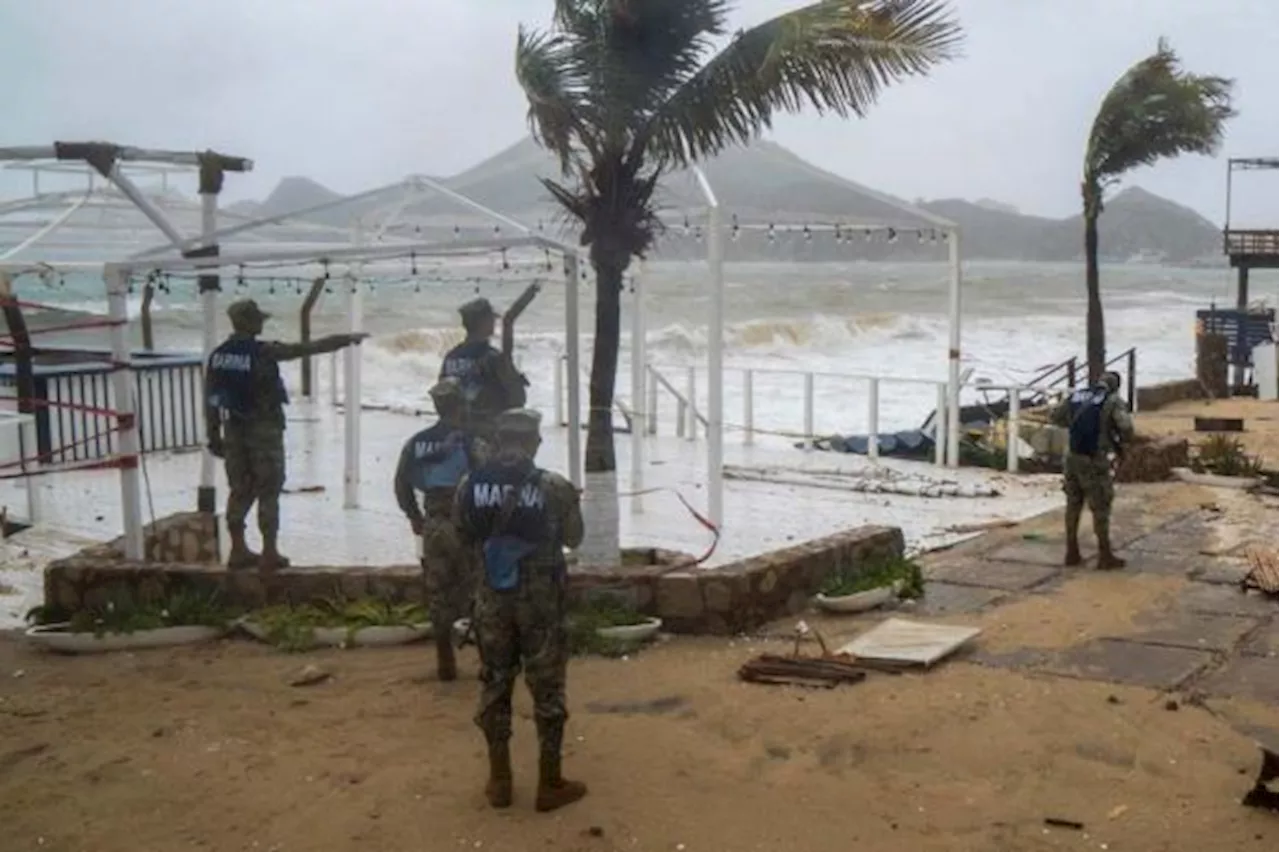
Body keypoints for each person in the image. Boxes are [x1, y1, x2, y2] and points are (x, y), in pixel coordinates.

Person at [453, 408, 586, 813]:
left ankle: (499, 780)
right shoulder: (553, 487)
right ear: (534, 443)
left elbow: (462, 535)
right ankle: (549, 783)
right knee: (547, 688)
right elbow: (575, 538)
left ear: (497, 440)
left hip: (492, 600)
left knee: (495, 682)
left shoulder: (469, 485)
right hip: (541, 604)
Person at [205, 299, 367, 571]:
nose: (261, 322)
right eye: (258, 318)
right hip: (264, 431)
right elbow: (305, 348)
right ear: (248, 321)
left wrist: (213, 435)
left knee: (239, 489)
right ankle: (269, 551)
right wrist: (345, 339)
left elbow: (211, 398)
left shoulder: (219, 355)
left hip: (233, 430)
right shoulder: (263, 352)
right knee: (269, 489)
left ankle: (238, 548)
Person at [393, 377, 488, 681]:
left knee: (438, 592)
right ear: (460, 405)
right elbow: (485, 479)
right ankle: (487, 660)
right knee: (479, 590)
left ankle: (445, 662)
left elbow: (401, 482)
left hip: (433, 522)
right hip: (466, 523)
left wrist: (413, 515)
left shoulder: (417, 442)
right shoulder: (472, 441)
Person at [1051, 370, 1134, 569]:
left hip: (1071, 456)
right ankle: (1104, 555)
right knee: (1101, 505)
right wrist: (1118, 440)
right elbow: (1126, 427)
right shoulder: (1113, 400)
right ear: (1115, 386)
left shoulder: (1077, 395)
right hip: (1093, 458)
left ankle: (1072, 552)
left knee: (1073, 503)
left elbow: (1055, 416)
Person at [439, 298, 528, 438]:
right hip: (489, 433)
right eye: (491, 319)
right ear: (484, 322)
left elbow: (441, 397)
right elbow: (517, 398)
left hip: (458, 433)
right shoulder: (492, 357)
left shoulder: (451, 357)